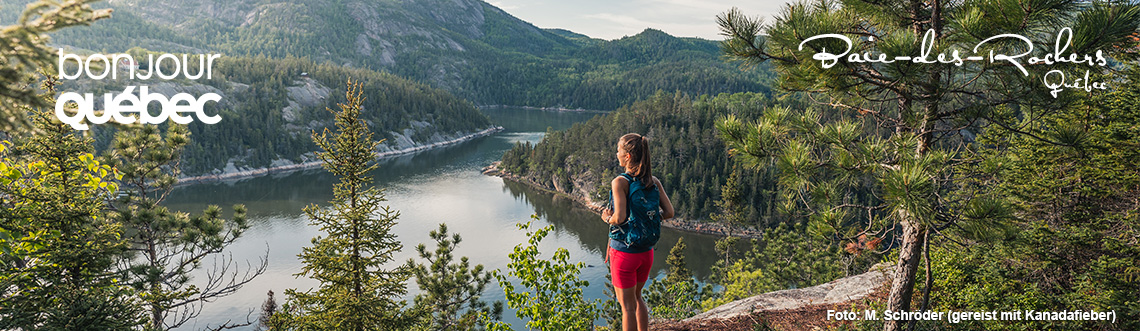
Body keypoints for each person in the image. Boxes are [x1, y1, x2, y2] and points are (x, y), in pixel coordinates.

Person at [601, 133, 674, 331]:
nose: (616, 153)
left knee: (627, 308)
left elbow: (620, 217)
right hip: (646, 252)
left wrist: (607, 217)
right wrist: (648, 218)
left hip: (624, 253)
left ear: (628, 157)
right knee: (637, 298)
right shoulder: (653, 181)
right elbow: (669, 212)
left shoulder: (620, 182)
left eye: (619, 150)